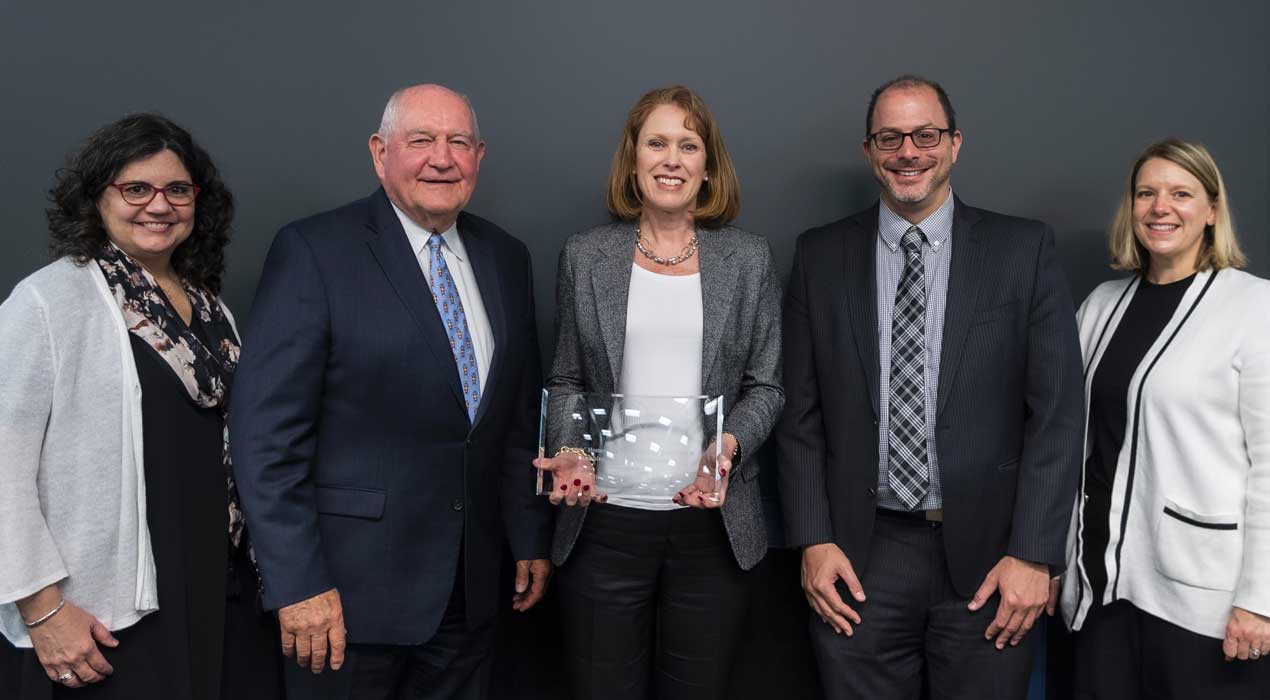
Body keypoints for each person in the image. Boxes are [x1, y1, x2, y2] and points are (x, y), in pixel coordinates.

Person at [228, 84, 553, 700]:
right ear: (380, 153)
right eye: (421, 140)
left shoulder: (506, 257)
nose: (442, 157)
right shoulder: (315, 251)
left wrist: (529, 535)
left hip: (471, 594)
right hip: (344, 603)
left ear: (479, 157)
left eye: (458, 142)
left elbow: (512, 420)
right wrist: (295, 583)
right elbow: (264, 438)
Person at [775, 75, 1084, 699]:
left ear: (955, 144)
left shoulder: (1022, 249)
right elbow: (798, 414)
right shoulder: (820, 255)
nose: (908, 152)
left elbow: (1057, 413)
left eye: (925, 135)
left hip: (993, 561)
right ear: (869, 150)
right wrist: (812, 537)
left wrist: (1034, 553)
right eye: (891, 137)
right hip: (860, 559)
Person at [0, 114, 280, 699]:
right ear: (96, 197)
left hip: (218, 587)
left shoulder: (210, 310)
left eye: (178, 189)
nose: (160, 205)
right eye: (136, 188)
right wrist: (43, 610)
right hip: (104, 612)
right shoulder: (50, 301)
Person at [533, 85, 783, 700]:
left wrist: (727, 447)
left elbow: (767, 385)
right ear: (634, 158)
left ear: (707, 167)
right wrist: (573, 450)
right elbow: (565, 378)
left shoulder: (748, 259)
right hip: (604, 524)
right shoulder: (586, 256)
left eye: (688, 145)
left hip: (712, 529)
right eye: (657, 143)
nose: (672, 158)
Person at [1051, 138, 1270, 698]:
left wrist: (1260, 601)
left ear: (1212, 210)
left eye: (1180, 193)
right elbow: (1069, 437)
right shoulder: (1101, 304)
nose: (1159, 207)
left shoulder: (1253, 308)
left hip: (1204, 602)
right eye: (1145, 193)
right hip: (1099, 588)